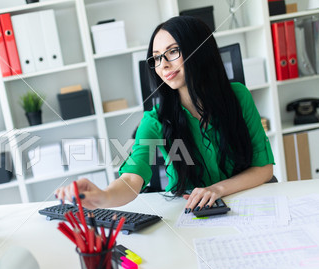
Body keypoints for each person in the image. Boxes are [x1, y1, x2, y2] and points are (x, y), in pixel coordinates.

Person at [55, 16, 274, 213]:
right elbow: (132, 178)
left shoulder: (238, 96)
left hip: (246, 202)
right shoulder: (155, 120)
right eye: (156, 58)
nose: (163, 65)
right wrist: (103, 197)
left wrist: (217, 189)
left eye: (172, 51)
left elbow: (263, 168)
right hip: (193, 211)